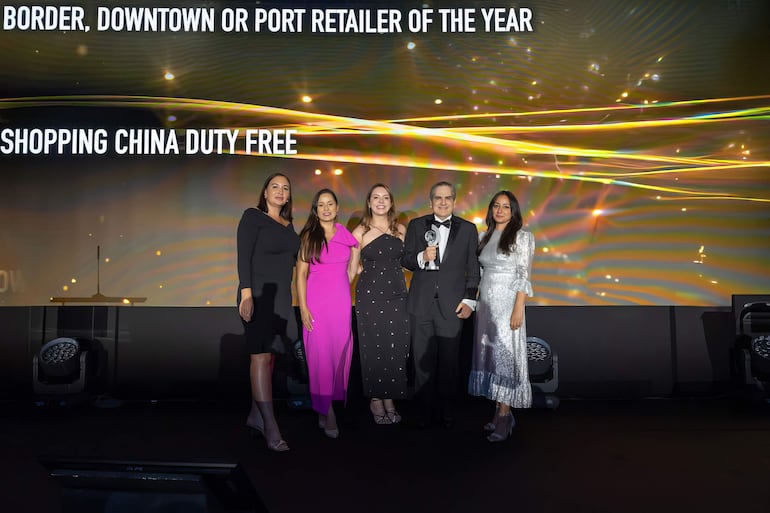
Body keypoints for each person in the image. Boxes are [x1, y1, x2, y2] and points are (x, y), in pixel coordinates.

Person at [402, 181, 480, 429]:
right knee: (421, 362)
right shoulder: (416, 225)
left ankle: (448, 408)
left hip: (452, 307)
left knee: (449, 362)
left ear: (454, 201)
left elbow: (474, 270)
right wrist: (421, 257)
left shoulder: (468, 229)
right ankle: (426, 409)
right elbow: (406, 260)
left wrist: (470, 300)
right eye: (438, 198)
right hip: (421, 305)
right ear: (431, 201)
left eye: (448, 198)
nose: (443, 202)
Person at [237, 172, 299, 452]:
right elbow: (243, 255)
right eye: (274, 186)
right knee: (260, 358)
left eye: (285, 188)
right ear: (265, 192)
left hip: (282, 299)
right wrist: (246, 294)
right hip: (259, 297)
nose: (280, 191)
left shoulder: (289, 225)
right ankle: (270, 426)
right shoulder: (253, 216)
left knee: (271, 359)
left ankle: (255, 417)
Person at [468, 190, 535, 442]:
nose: (500, 210)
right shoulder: (484, 236)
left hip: (508, 305)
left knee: (504, 358)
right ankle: (498, 412)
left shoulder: (522, 237)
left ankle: (505, 417)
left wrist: (519, 308)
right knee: (490, 357)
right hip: (485, 304)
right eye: (496, 205)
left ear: (514, 211)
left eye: (506, 207)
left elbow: (523, 275)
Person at [296, 189, 360, 438]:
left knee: (338, 355)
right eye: (321, 204)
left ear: (336, 207)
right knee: (320, 357)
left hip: (341, 304)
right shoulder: (309, 236)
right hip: (316, 305)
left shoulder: (345, 234)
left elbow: (355, 253)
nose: (325, 208)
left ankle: (323, 409)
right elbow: (300, 275)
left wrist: (351, 274)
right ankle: (328, 411)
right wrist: (303, 307)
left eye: (330, 203)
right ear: (316, 209)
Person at [352, 184, 410, 425]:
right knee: (373, 346)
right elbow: (352, 269)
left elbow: (407, 263)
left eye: (385, 197)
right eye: (375, 197)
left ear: (391, 202)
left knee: (396, 347)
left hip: (397, 294)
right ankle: (376, 398)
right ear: (369, 202)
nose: (380, 201)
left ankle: (390, 398)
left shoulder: (401, 229)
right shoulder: (360, 232)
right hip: (370, 296)